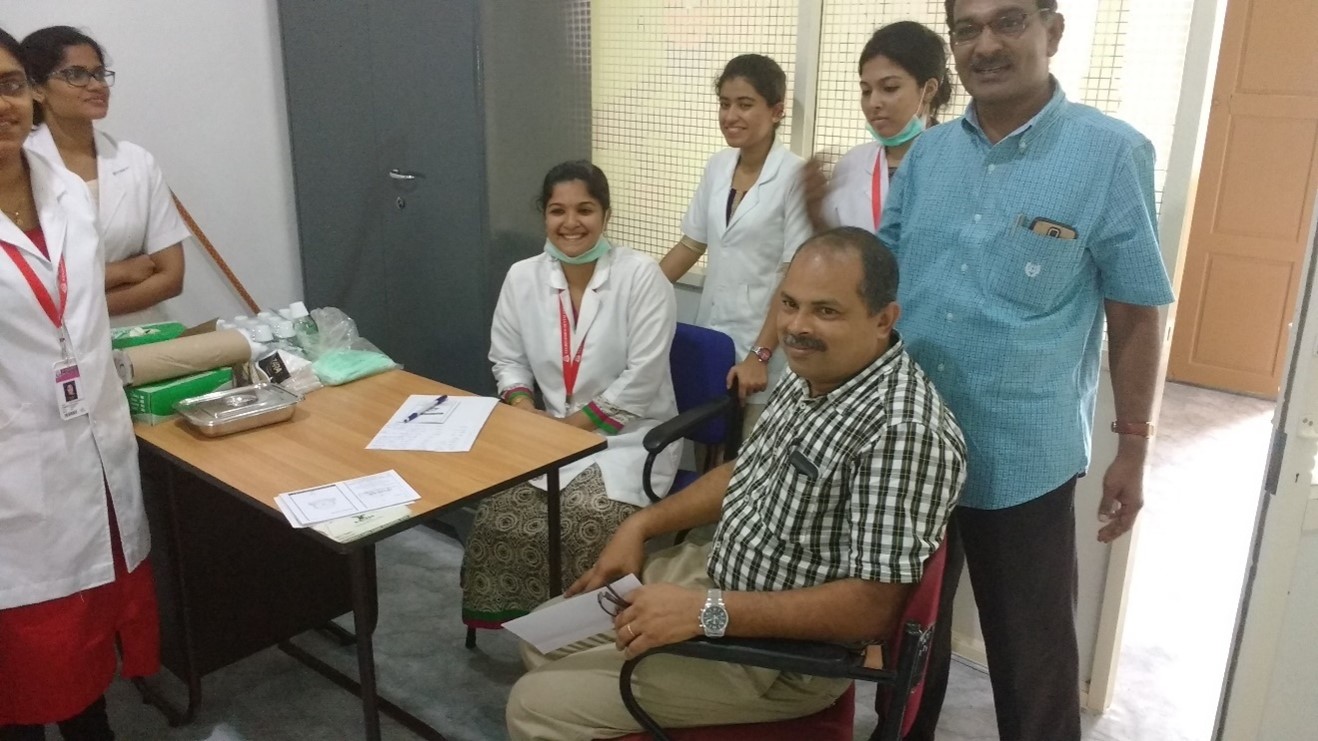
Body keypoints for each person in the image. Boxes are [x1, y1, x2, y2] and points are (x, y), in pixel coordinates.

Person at [504, 227, 968, 740]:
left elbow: (870, 610)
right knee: (543, 635)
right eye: (789, 304)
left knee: (534, 707)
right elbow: (745, 470)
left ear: (883, 320)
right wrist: (640, 525)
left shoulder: (901, 430)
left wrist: (707, 612)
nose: (795, 327)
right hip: (718, 574)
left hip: (780, 658)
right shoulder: (812, 371)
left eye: (825, 311)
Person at [878, 2, 1176, 739]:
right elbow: (880, 283)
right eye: (966, 29)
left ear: (1053, 30)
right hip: (913, 451)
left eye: (1007, 22)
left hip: (1023, 461)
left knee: (1032, 663)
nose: (985, 45)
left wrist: (1133, 445)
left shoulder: (1110, 153)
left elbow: (1136, 310)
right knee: (906, 645)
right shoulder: (929, 155)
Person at [0, 27, 160, 741]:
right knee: (26, 680)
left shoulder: (66, 191)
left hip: (94, 463)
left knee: (88, 670)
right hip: (15, 491)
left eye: (6, 85)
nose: (1, 104)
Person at [462, 161, 680, 632]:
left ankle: (583, 637)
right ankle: (526, 629)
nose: (571, 223)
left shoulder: (642, 277)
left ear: (605, 214)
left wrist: (564, 433)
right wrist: (524, 408)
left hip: (630, 440)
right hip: (548, 434)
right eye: (558, 210)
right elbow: (507, 359)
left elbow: (642, 379)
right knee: (499, 513)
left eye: (585, 209)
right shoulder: (523, 277)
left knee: (588, 523)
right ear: (544, 215)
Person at [658, 54, 813, 434]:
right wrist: (631, 294)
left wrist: (760, 354)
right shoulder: (717, 166)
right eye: (725, 104)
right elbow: (690, 246)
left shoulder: (794, 175)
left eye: (745, 105)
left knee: (748, 459)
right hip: (712, 337)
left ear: (776, 111)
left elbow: (792, 276)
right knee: (706, 441)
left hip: (764, 348)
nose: (730, 116)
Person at [21, 26, 190, 327]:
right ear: (37, 89)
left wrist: (74, 299)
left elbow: (170, 277)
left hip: (144, 332)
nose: (96, 85)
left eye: (99, 74)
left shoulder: (136, 161)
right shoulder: (19, 166)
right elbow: (25, 288)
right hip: (57, 345)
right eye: (76, 74)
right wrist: (120, 272)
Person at [803, 21, 953, 233]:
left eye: (889, 88)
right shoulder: (851, 165)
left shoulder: (958, 164)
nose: (873, 102)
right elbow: (839, 249)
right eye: (866, 91)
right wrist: (815, 215)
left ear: (928, 90)